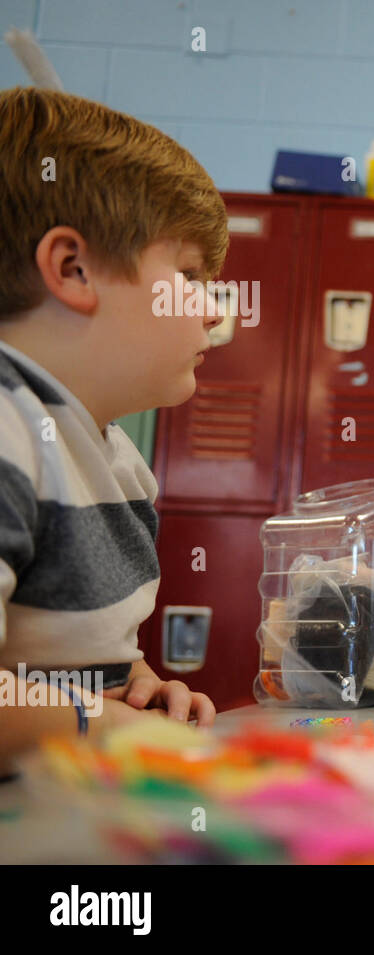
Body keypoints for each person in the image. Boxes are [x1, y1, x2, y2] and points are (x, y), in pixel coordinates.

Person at [0, 88, 224, 773]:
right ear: (74, 269)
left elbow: (60, 671)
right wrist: (101, 722)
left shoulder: (116, 457)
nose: (216, 312)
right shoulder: (9, 424)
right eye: (188, 275)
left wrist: (135, 688)